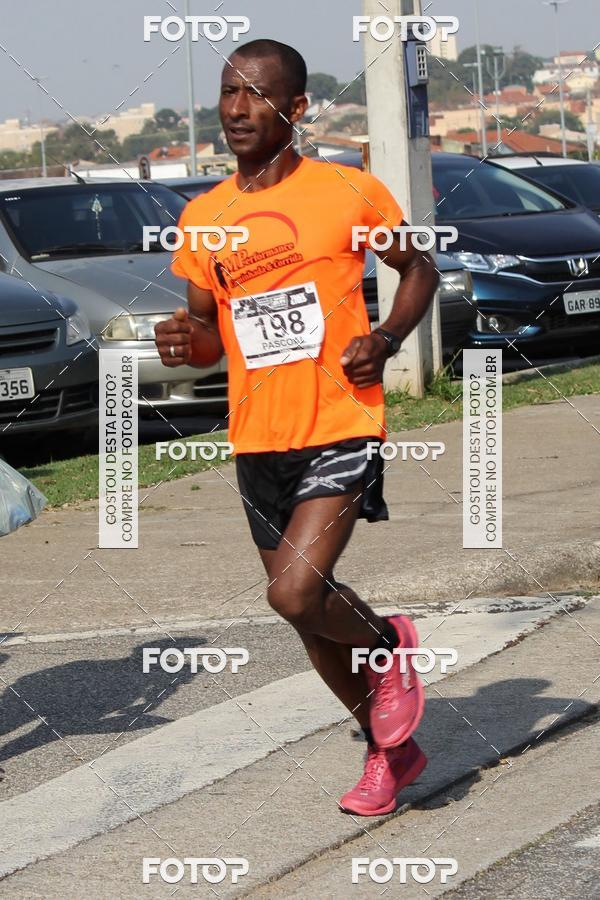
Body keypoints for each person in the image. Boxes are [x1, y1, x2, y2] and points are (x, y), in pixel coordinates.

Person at [155, 39, 438, 816]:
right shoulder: (203, 218)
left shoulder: (347, 191)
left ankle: (389, 644)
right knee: (311, 620)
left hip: (340, 421)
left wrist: (385, 339)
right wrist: (183, 342)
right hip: (257, 438)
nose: (236, 109)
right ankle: (390, 750)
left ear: (297, 107)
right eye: (227, 92)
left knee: (295, 592)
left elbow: (419, 268)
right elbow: (207, 339)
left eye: (254, 93)